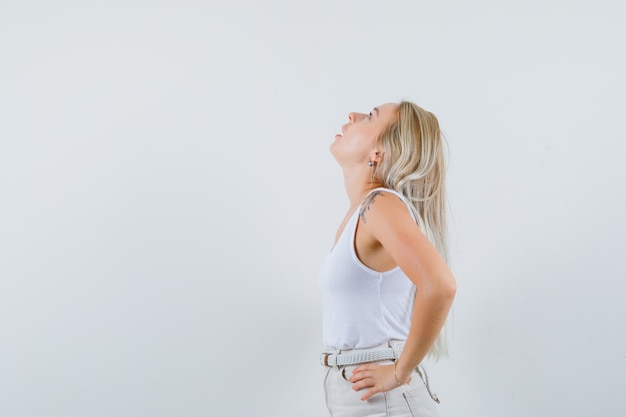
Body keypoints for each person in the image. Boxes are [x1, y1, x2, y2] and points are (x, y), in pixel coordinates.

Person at [319, 101, 457, 417]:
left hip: (383, 398)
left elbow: (440, 284)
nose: (352, 116)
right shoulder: (362, 213)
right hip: (356, 390)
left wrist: (398, 371)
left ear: (378, 154)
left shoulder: (380, 206)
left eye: (369, 116)